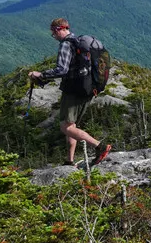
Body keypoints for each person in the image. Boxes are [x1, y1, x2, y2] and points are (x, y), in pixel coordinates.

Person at [28, 18, 112, 166]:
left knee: (65, 127)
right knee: (71, 126)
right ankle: (69, 160)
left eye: (53, 33)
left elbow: (62, 70)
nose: (53, 36)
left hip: (74, 91)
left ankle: (100, 147)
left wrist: (40, 75)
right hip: (87, 89)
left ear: (58, 29)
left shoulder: (66, 44)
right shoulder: (78, 42)